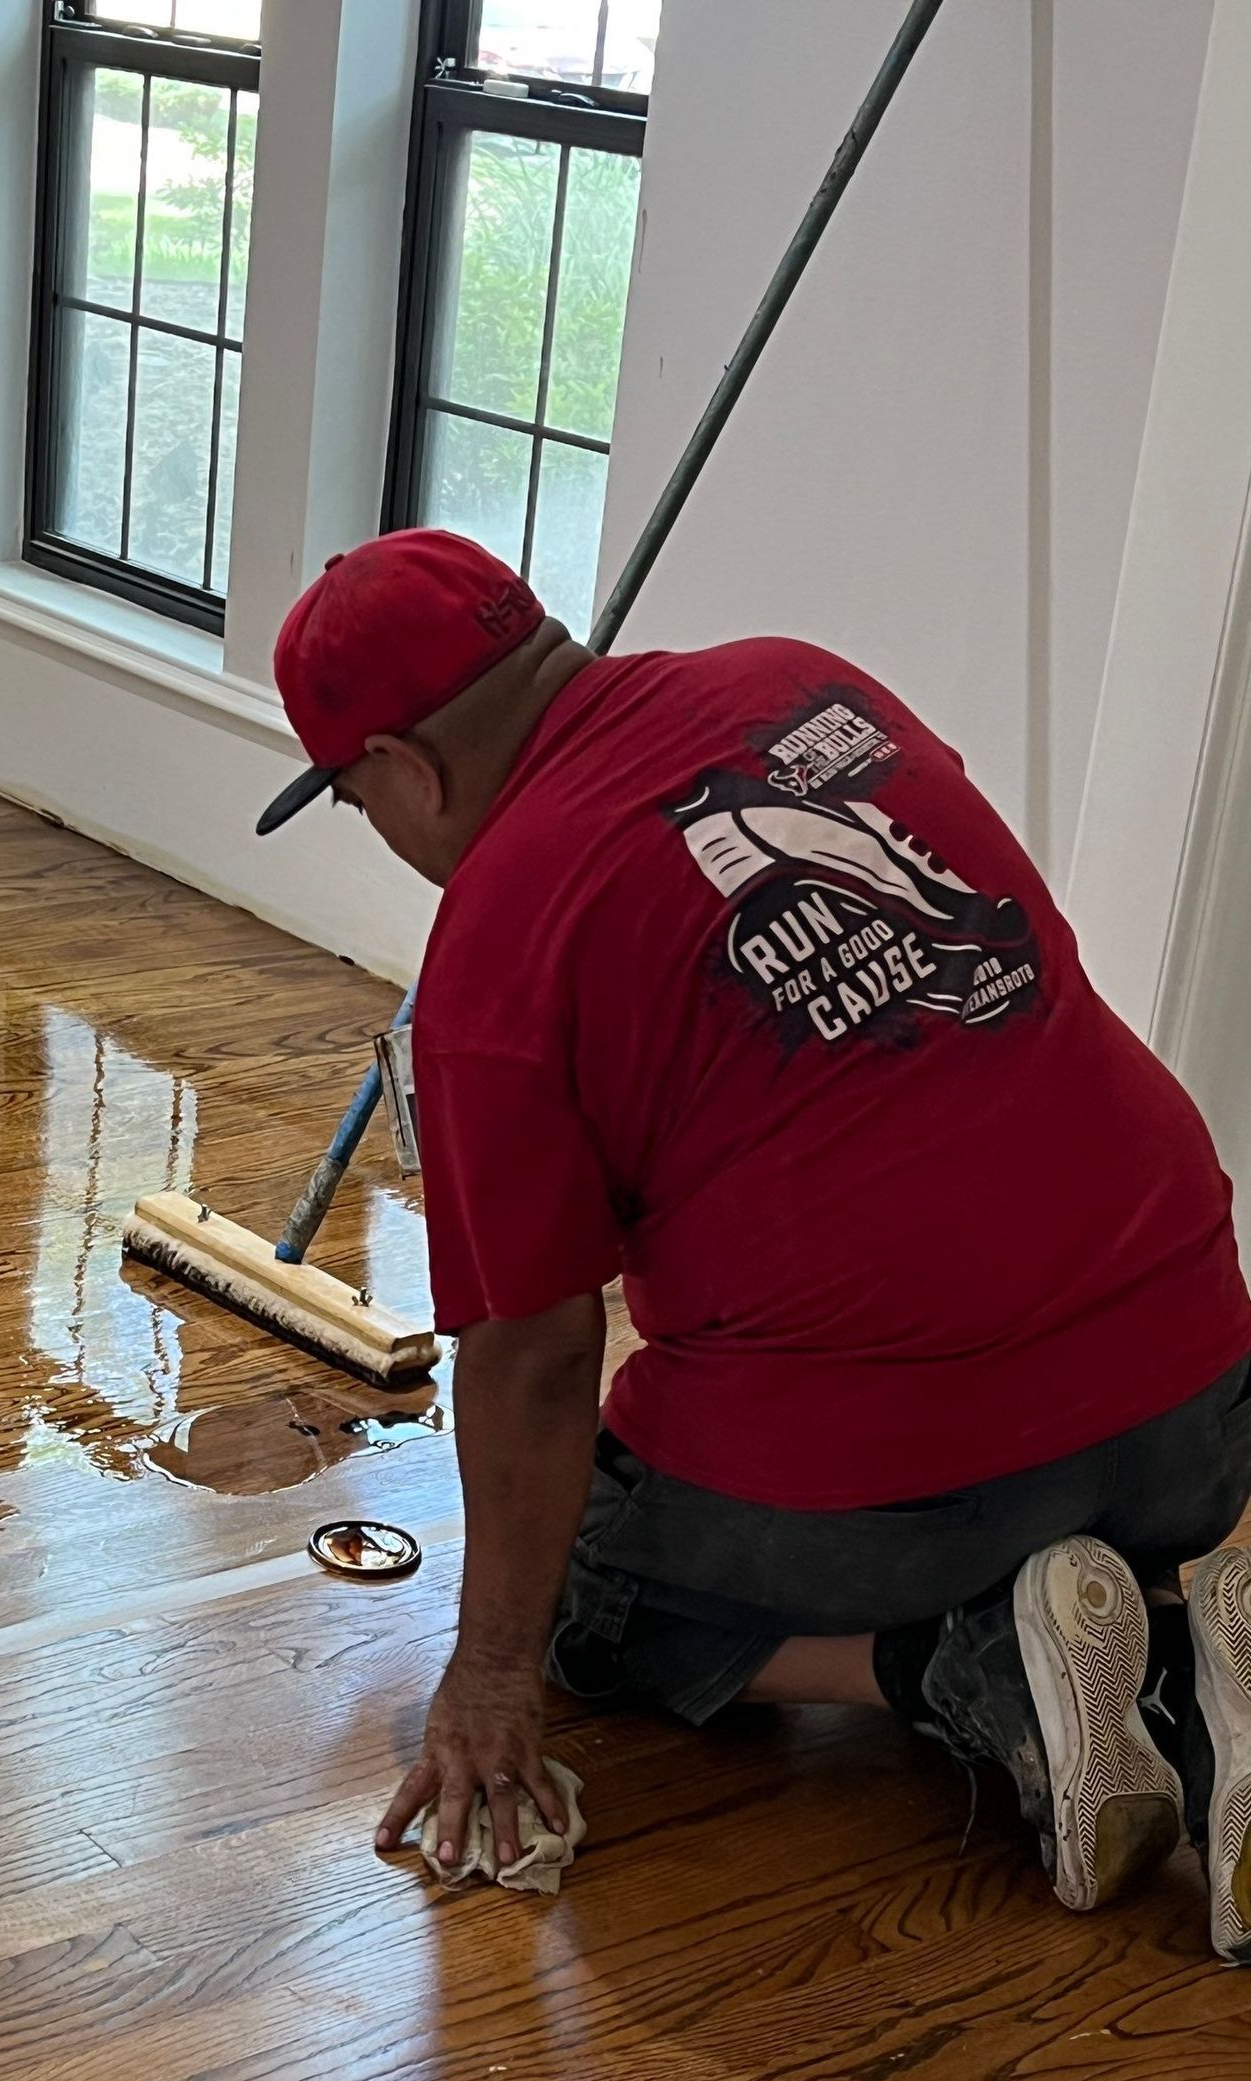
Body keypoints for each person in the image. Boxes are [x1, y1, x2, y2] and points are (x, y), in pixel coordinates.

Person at [255, 528, 1251, 1962]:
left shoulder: (496, 946)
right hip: (1200, 1407)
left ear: (405, 767)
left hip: (920, 1486)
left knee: (592, 1603)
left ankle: (998, 1671)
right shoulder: (806, 686)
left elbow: (534, 1352)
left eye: (358, 804)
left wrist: (488, 1674)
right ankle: (1166, 1637)